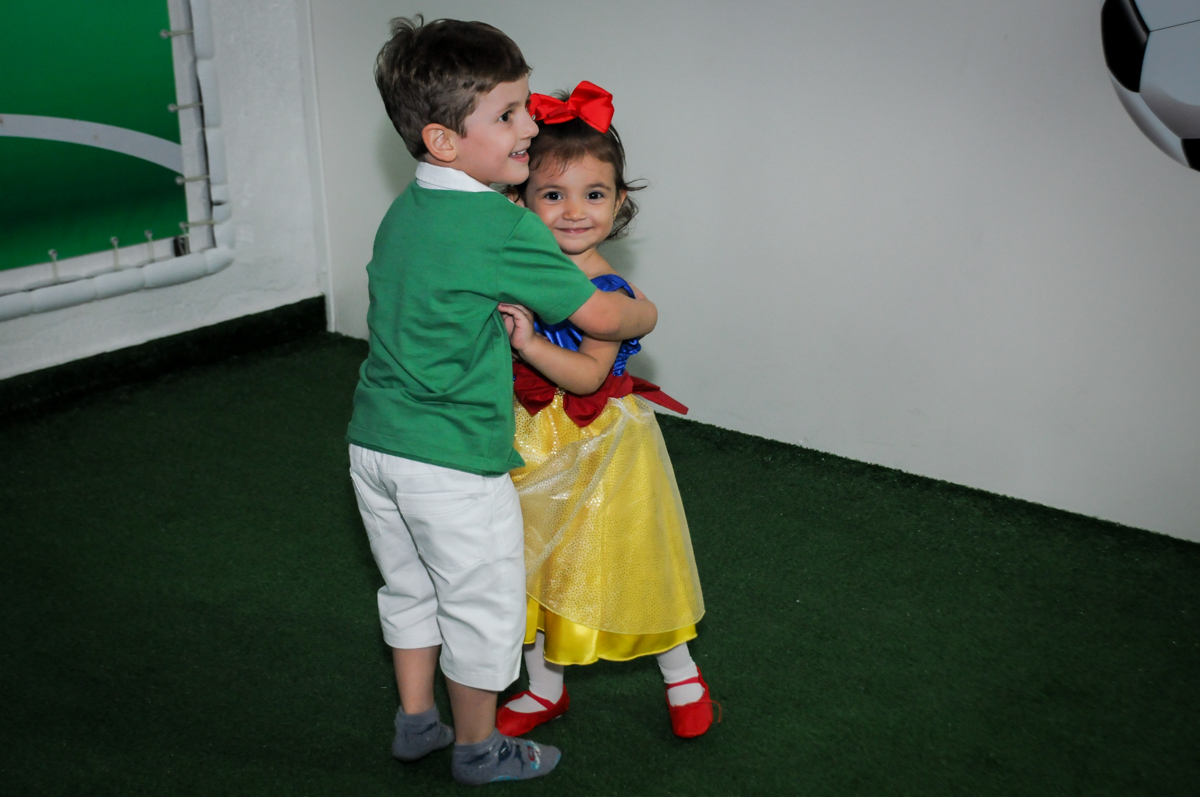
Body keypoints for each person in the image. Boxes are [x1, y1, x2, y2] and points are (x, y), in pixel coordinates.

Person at [347, 22, 659, 786]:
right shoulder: (503, 224)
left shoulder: (406, 211)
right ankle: (478, 747)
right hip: (451, 460)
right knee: (484, 607)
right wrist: (645, 314)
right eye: (512, 114)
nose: (533, 125)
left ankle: (417, 720)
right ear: (444, 140)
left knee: (409, 585)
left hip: (373, 443)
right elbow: (602, 317)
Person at [494, 82, 716, 741]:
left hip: (602, 444)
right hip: (528, 439)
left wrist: (528, 340)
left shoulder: (608, 291)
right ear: (520, 201)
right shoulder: (515, 270)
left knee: (623, 561)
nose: (572, 212)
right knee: (532, 561)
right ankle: (544, 688)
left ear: (619, 203)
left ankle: (683, 675)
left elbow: (589, 370)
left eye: (594, 194)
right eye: (552, 195)